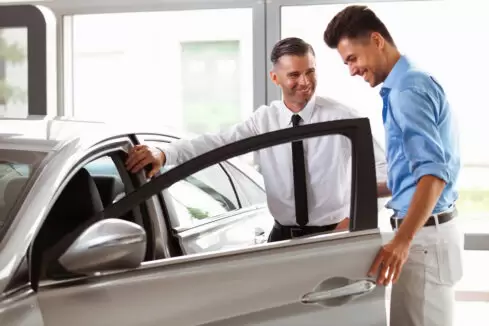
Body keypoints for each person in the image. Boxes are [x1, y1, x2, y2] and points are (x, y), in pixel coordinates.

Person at [126, 37, 388, 243]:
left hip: (335, 235)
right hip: (281, 238)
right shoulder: (264, 121)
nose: (305, 82)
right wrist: (164, 153)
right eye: (294, 75)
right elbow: (216, 143)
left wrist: (353, 218)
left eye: (310, 72)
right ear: (275, 78)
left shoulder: (343, 117)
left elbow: (385, 171)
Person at [324, 5, 463, 326]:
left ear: (376, 40)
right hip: (425, 235)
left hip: (423, 238)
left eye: (352, 59)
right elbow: (416, 175)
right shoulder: (406, 84)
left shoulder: (407, 90)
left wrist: (402, 242)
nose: (352, 70)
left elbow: (434, 175)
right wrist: (360, 196)